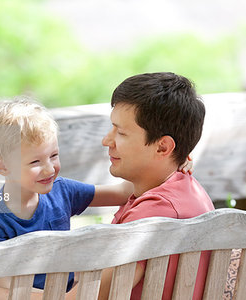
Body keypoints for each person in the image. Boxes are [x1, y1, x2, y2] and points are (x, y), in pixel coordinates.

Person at [0, 98, 136, 298]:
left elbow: (121, 193)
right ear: (2, 166)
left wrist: (172, 163)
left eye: (53, 156)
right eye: (35, 161)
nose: (49, 169)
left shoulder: (62, 191)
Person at [98, 72, 215, 300]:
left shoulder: (155, 214)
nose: (107, 140)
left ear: (162, 148)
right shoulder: (184, 191)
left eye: (121, 132)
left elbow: (90, 296)